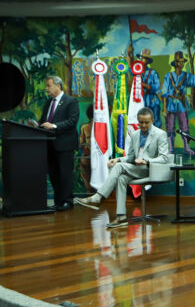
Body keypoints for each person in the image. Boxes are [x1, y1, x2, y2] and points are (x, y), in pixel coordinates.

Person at [75, 107, 169, 227]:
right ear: (138, 121)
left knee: (119, 167)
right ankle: (121, 217)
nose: (143, 125)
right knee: (121, 178)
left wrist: (146, 161)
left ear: (153, 121)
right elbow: (130, 157)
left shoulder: (160, 134)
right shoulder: (135, 134)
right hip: (136, 169)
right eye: (141, 122)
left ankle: (98, 197)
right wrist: (117, 159)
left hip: (151, 169)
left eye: (147, 122)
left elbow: (164, 158)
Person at [39, 75, 79, 211]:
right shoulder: (48, 102)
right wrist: (37, 124)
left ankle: (67, 201)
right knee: (54, 174)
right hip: (50, 144)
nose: (46, 89)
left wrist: (54, 126)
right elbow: (43, 120)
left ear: (58, 86)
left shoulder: (71, 101)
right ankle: (58, 202)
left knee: (65, 174)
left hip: (65, 144)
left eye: (48, 86)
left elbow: (72, 121)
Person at [162, 51, 195, 155]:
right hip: (171, 103)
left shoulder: (187, 75)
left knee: (185, 126)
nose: (182, 64)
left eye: (183, 61)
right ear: (176, 63)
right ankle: (171, 148)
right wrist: (164, 108)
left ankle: (186, 148)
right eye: (180, 61)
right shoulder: (168, 76)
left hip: (182, 104)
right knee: (170, 127)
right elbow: (164, 93)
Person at [137, 49, 163, 128]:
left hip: (152, 101)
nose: (143, 60)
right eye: (142, 58)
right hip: (141, 101)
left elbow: (157, 87)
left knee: (155, 122)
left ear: (148, 61)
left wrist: (145, 85)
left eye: (146, 58)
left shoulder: (153, 73)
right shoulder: (136, 72)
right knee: (142, 123)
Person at [79, 105, 94, 193]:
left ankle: (89, 192)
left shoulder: (85, 127)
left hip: (91, 157)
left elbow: (81, 143)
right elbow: (81, 144)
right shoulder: (85, 127)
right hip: (88, 157)